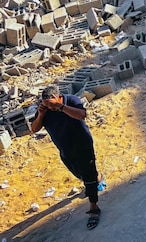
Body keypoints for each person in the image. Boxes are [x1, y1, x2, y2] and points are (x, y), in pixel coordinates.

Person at [30, 86, 105, 231]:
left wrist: (61, 107)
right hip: (65, 150)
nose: (49, 108)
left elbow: (82, 115)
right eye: (46, 105)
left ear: (58, 97)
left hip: (83, 145)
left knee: (88, 177)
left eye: (51, 104)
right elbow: (34, 129)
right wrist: (40, 115)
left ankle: (93, 208)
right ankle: (97, 177)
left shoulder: (70, 100)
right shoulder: (44, 110)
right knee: (81, 174)